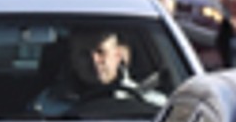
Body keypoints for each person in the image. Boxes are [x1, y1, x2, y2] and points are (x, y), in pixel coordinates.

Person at [30, 27, 165, 116]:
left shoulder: (154, 107)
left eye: (101, 52)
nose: (94, 61)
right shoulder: (46, 107)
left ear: (117, 56)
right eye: (84, 54)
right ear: (73, 61)